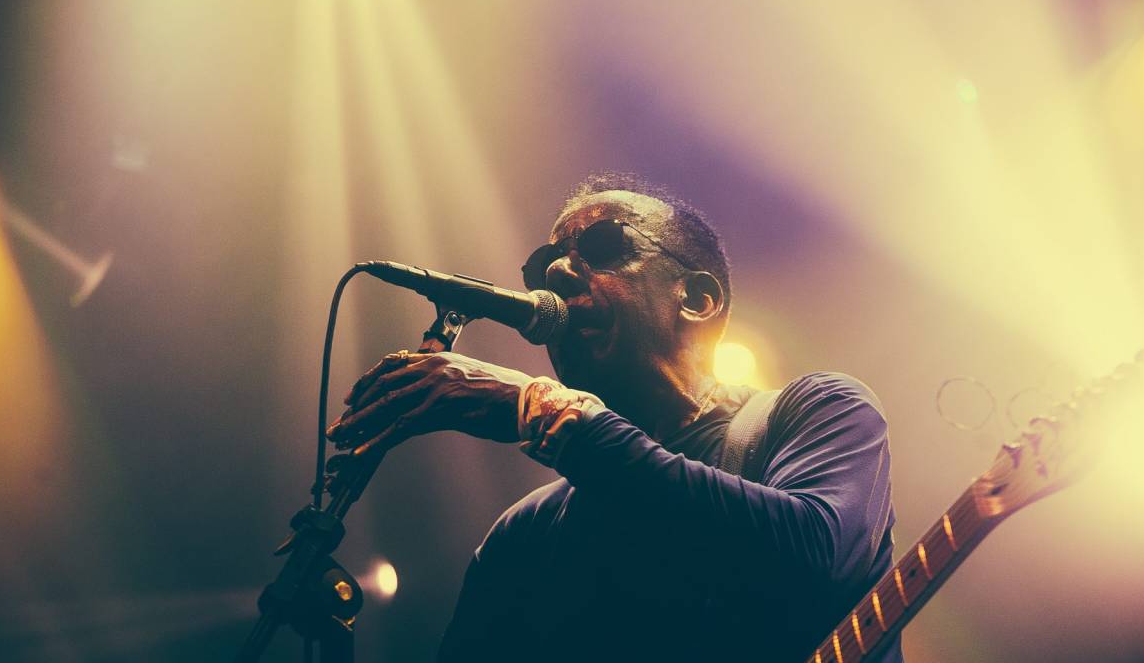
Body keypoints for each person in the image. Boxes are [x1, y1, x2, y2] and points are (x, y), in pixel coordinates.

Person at [327, 172, 901, 662]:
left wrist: (543, 409)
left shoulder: (816, 411)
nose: (556, 272)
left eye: (602, 248)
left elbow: (815, 559)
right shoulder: (525, 534)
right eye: (545, 263)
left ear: (697, 299)